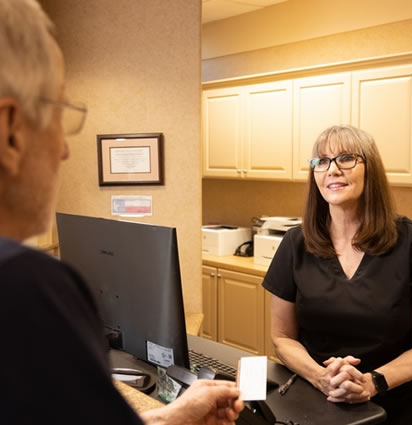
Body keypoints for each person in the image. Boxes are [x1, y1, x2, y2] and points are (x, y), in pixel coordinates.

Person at [0, 1, 244, 424]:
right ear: (10, 131)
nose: (64, 149)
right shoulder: (25, 287)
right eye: (59, 113)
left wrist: (173, 417)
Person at [263, 124, 412, 425]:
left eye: (346, 158)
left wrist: (372, 382)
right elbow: (282, 337)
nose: (332, 170)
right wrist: (321, 377)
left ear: (371, 170)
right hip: (314, 404)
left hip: (394, 408)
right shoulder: (295, 244)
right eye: (321, 161)